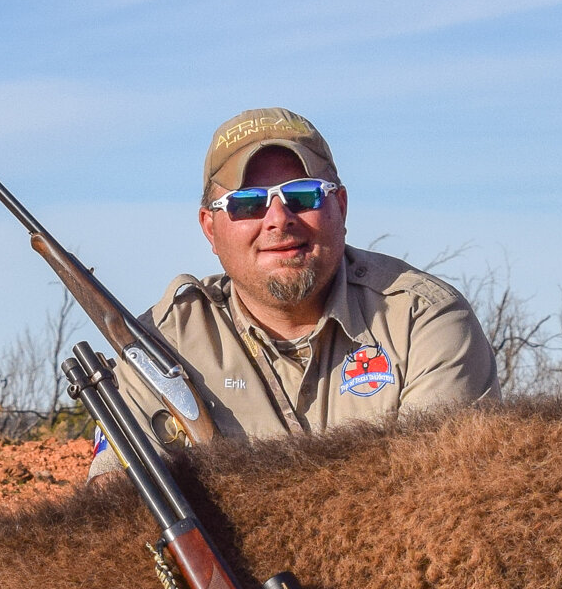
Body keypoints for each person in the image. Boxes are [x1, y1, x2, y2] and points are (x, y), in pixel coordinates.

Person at [93, 108, 496, 473]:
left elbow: (438, 503)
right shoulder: (156, 349)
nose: (278, 220)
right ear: (209, 228)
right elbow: (118, 517)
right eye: (247, 204)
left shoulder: (424, 321)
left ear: (340, 206)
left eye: (303, 196)